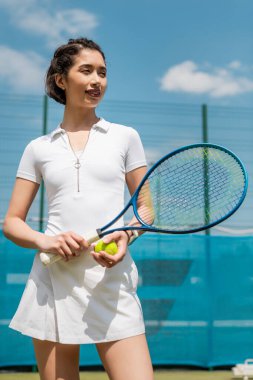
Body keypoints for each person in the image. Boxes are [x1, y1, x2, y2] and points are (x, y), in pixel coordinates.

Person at [3, 38, 154, 380]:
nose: (96, 80)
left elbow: (145, 208)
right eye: (86, 70)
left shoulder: (125, 136)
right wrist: (47, 242)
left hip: (111, 281)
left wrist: (127, 235)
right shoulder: (37, 148)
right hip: (53, 283)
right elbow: (12, 222)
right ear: (61, 80)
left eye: (102, 72)